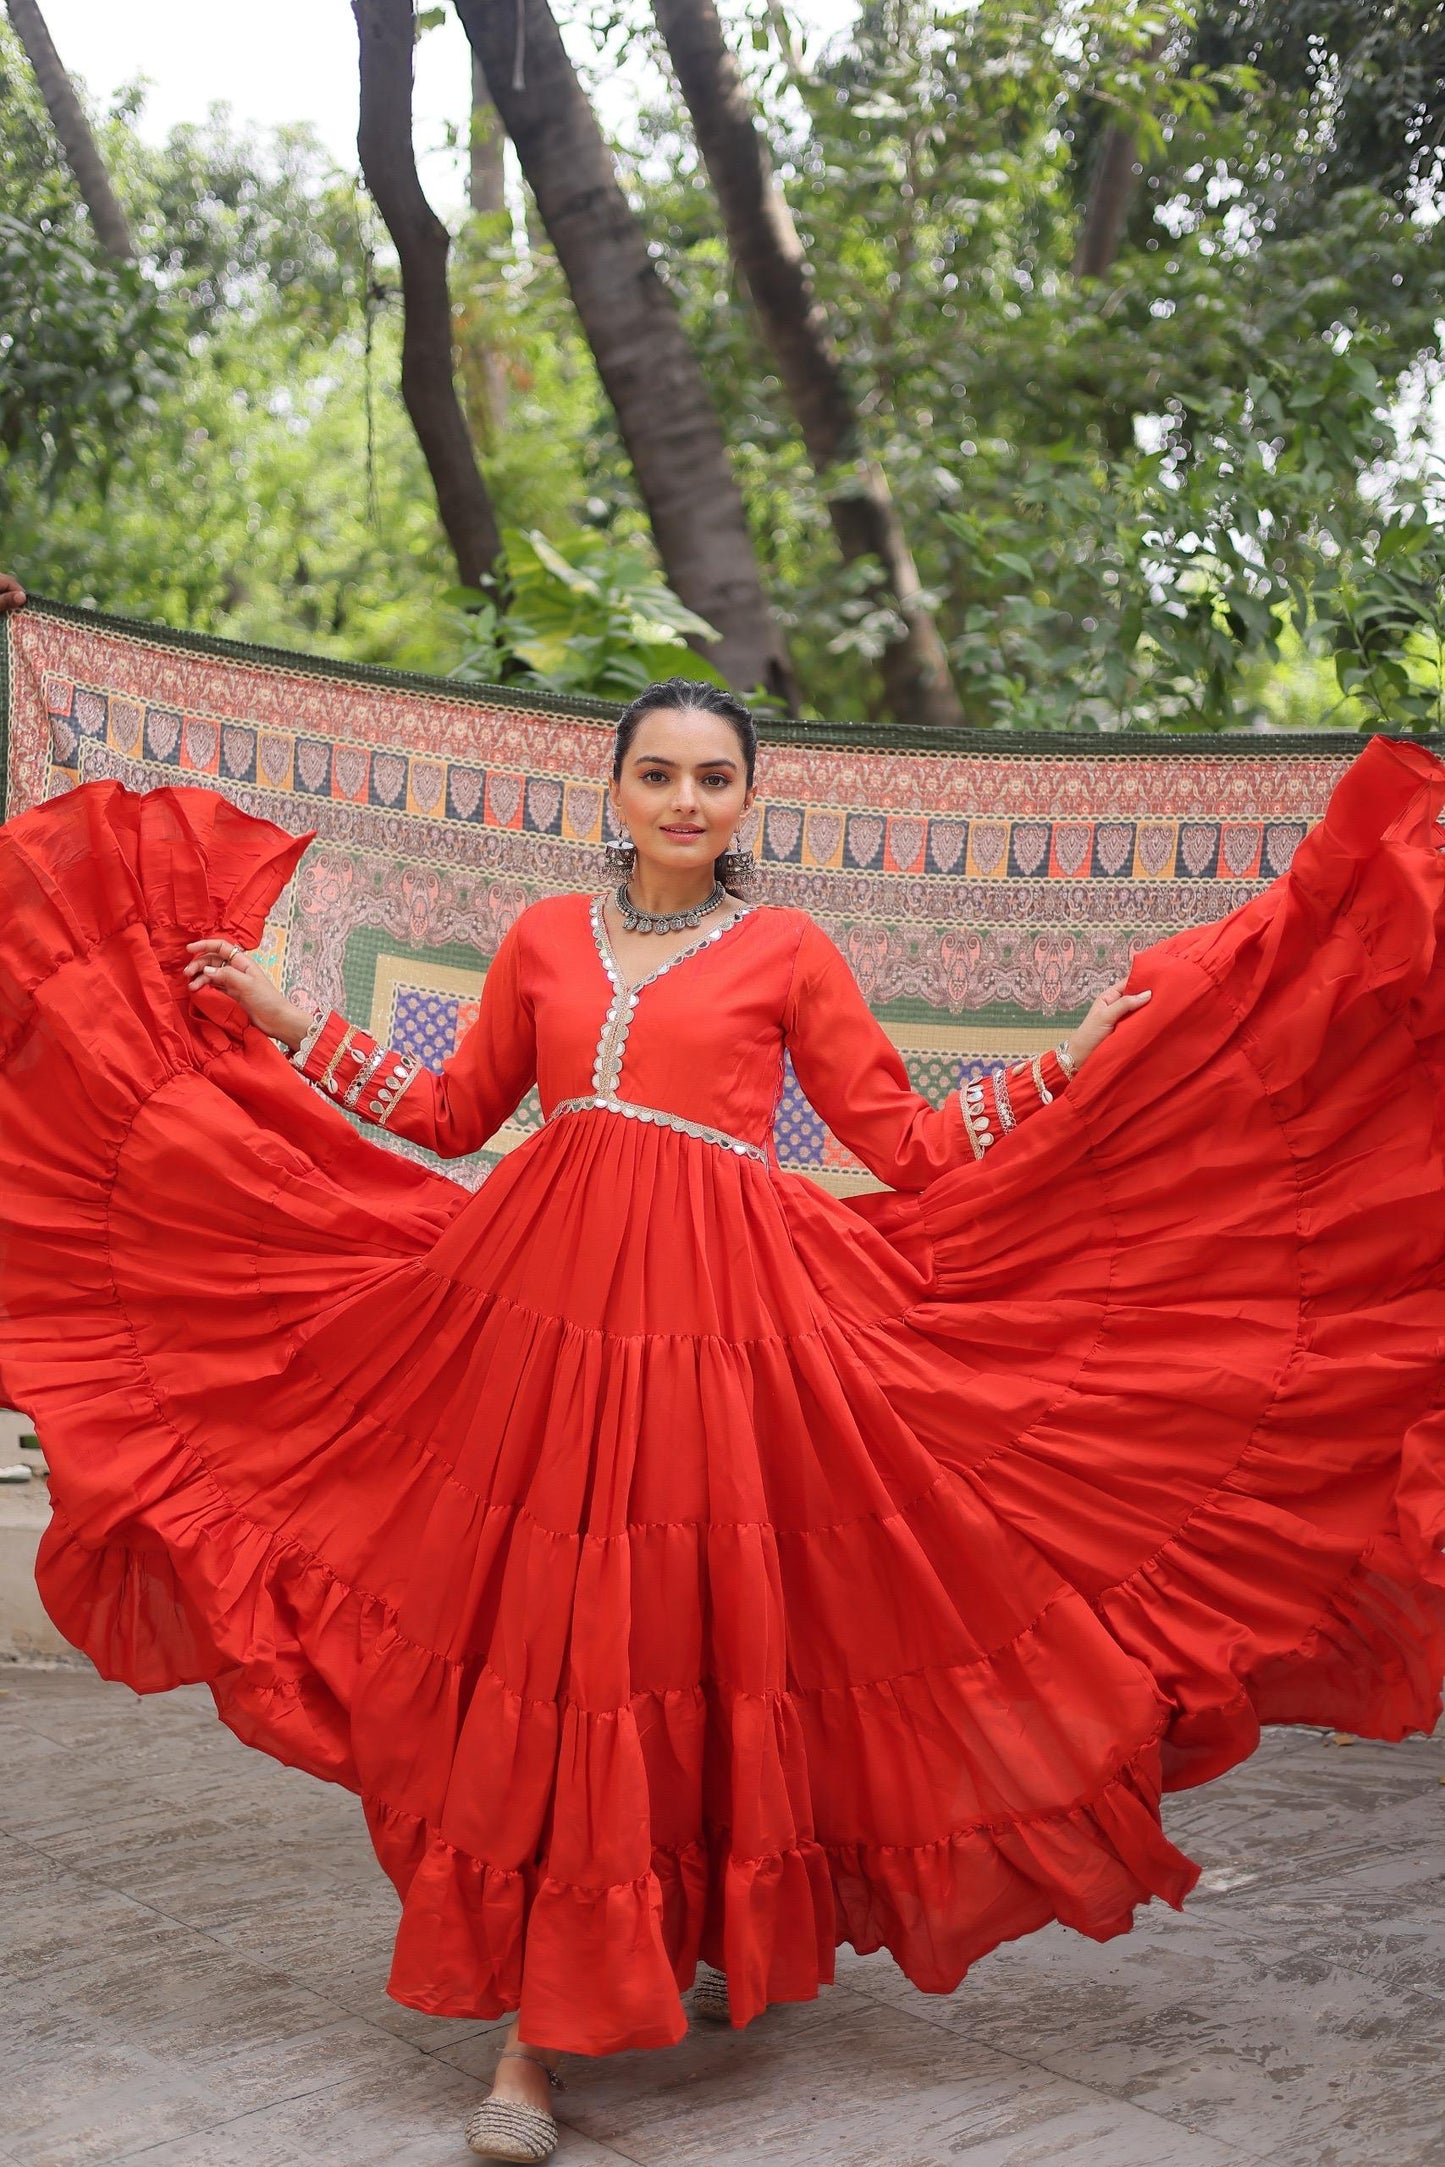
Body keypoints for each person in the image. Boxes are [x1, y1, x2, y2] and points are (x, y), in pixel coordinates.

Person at [0, 639, 1441, 2164]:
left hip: (730, 1336)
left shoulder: (790, 953)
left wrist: (1063, 1064)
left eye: (712, 777)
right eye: (657, 774)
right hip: (540, 1326)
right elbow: (448, 1116)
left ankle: (658, 1943)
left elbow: (900, 1146)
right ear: (612, 791)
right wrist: (287, 1021)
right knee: (561, 1651)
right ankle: (531, 2040)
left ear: (749, 798)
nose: (683, 799)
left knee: (682, 1633)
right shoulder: (547, 937)